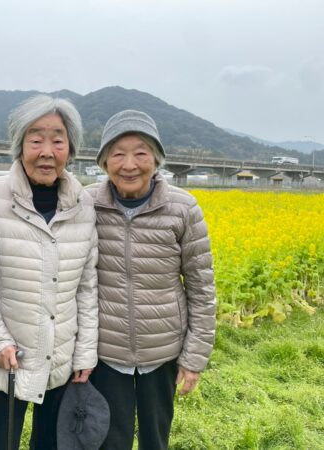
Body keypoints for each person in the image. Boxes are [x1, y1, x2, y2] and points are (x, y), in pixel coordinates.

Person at [0, 95, 99, 450]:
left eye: (58, 140)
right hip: (7, 360)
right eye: (36, 139)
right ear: (20, 145)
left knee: (52, 443)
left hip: (61, 358)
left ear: (70, 149)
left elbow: (87, 286)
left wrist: (85, 352)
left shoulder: (83, 204)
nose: (47, 151)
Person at [86, 110, 216, 450]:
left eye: (141, 153)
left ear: (157, 159)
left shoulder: (183, 209)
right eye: (118, 154)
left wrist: (194, 357)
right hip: (106, 350)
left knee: (155, 439)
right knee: (108, 440)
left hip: (163, 351)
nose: (129, 165)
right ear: (104, 162)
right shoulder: (86, 204)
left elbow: (202, 289)